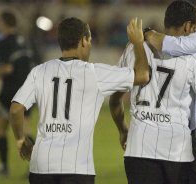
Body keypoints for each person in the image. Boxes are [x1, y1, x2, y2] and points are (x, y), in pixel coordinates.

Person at [109, 1, 196, 184]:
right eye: (195, 28)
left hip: (138, 147)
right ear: (187, 26)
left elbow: (115, 99)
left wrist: (122, 130)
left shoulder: (134, 48)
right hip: (177, 152)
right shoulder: (195, 59)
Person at [9, 17, 149, 184]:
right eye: (89, 40)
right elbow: (142, 75)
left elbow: (16, 109)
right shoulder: (95, 73)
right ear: (83, 40)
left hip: (41, 166)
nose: (89, 44)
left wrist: (20, 139)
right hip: (76, 167)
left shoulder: (39, 71)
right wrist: (138, 43)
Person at [0, 10, 33, 177]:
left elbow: (7, 68)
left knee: (1, 129)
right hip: (28, 90)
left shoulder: (4, 43)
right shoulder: (24, 41)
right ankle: (34, 167)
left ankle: (5, 167)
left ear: (4, 23)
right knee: (25, 130)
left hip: (10, 92)